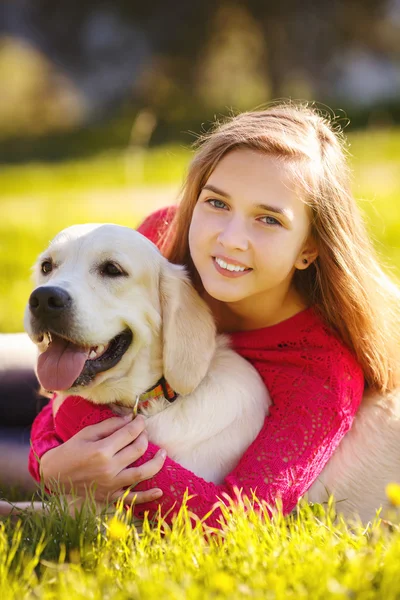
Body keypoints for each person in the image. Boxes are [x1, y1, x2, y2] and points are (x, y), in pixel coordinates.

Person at [7, 103, 400, 527]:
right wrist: (49, 464)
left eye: (268, 219)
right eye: (217, 203)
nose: (230, 239)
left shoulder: (323, 372)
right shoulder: (163, 239)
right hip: (118, 380)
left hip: (163, 407)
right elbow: (64, 393)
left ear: (309, 248)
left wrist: (84, 473)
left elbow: (241, 521)